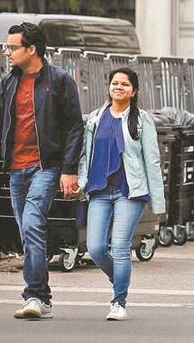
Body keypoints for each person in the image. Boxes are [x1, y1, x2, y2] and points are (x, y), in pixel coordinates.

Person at [0, 22, 83, 320]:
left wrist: (68, 169)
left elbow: (75, 127)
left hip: (46, 167)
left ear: (31, 49)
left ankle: (34, 295)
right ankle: (42, 297)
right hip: (15, 170)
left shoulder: (59, 81)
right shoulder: (9, 82)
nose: (6, 52)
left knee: (33, 224)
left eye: (12, 47)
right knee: (27, 231)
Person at [77, 68, 166, 320]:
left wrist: (158, 203)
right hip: (99, 191)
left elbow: (153, 161)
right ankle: (120, 279)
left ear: (133, 91)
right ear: (109, 88)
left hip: (130, 191)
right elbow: (86, 155)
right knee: (94, 248)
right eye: (115, 83)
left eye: (125, 84)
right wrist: (81, 183)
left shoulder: (142, 119)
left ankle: (119, 301)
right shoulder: (95, 118)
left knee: (119, 246)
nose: (119, 87)